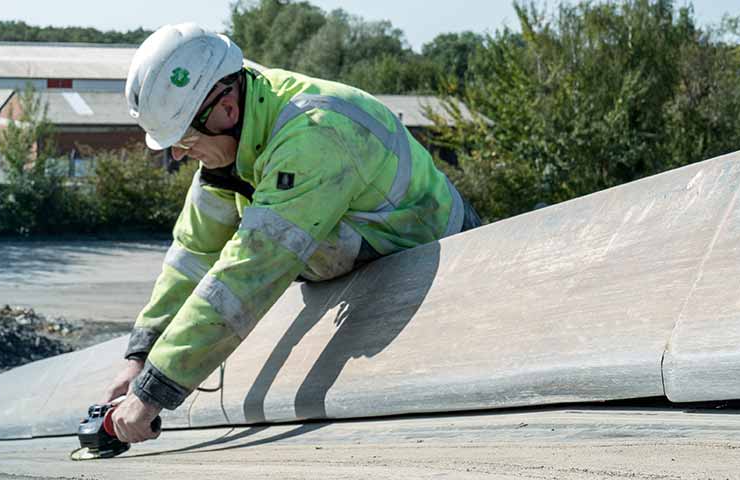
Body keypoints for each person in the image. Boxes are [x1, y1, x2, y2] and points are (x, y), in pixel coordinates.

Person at [102, 22, 480, 443]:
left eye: (184, 138)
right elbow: (193, 254)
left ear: (226, 108)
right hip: (372, 259)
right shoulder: (230, 144)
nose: (177, 153)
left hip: (446, 259)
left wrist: (155, 391)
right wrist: (140, 356)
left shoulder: (313, 134)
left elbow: (248, 273)